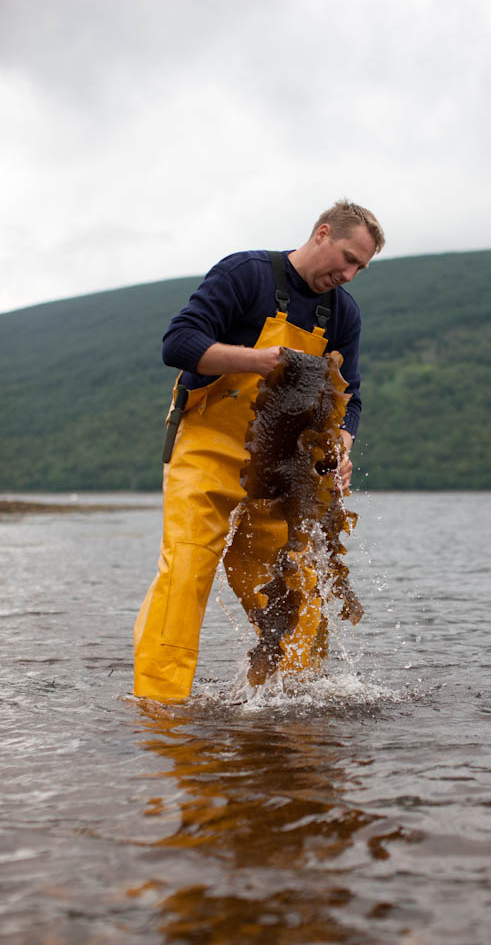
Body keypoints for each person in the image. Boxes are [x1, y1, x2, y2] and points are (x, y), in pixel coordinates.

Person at [133, 199, 385, 701]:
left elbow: (350, 396)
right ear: (322, 233)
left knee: (293, 589)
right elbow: (177, 343)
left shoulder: (342, 314)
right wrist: (255, 361)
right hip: (207, 444)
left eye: (361, 267)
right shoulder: (246, 273)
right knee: (185, 570)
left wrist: (341, 443)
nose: (351, 274)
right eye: (349, 258)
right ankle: (159, 708)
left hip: (281, 465)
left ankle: (300, 701)